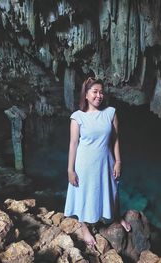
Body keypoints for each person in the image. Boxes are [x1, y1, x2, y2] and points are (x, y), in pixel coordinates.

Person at [64, 77, 131, 246]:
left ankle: (116, 217)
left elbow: (115, 139)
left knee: (112, 188)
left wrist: (118, 161)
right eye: (95, 92)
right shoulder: (77, 117)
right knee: (85, 193)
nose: (99, 95)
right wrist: (70, 170)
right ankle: (84, 227)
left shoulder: (110, 113)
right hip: (85, 163)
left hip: (106, 161)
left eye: (101, 92)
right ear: (86, 95)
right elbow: (73, 144)